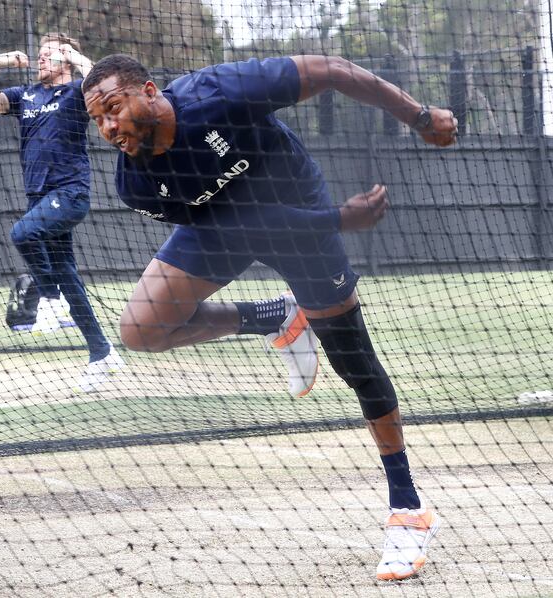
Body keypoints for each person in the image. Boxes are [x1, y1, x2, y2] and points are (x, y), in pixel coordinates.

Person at [82, 54, 458, 580]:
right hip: (228, 226)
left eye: (113, 110)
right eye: (97, 120)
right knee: (141, 329)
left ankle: (408, 512)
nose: (106, 128)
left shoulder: (220, 93)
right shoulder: (135, 183)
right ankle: (274, 316)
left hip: (299, 212)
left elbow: (331, 69)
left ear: (148, 90)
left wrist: (419, 118)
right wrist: (341, 220)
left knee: (357, 366)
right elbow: (240, 230)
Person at [0, 32, 123, 392]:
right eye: (39, 54)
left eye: (49, 55)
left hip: (69, 193)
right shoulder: (26, 96)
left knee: (21, 234)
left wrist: (72, 53)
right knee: (70, 276)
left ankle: (49, 299)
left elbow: (102, 81)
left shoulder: (76, 93)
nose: (40, 60)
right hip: (38, 198)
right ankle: (102, 352)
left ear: (66, 60)